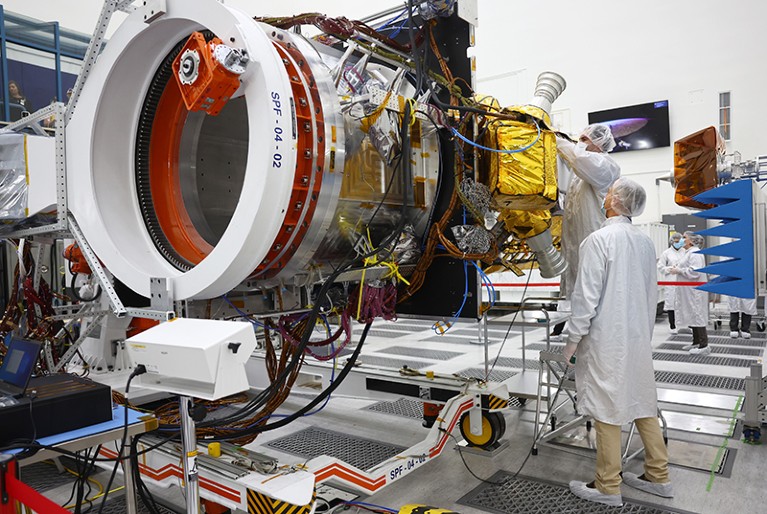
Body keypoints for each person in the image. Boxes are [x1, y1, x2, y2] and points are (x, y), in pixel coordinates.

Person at [564, 177, 672, 507]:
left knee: (606, 407)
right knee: (642, 403)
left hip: (605, 341)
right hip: (637, 337)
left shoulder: (598, 240)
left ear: (615, 201)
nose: (605, 195)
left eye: (609, 192)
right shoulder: (644, 242)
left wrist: (572, 339)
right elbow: (652, 292)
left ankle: (608, 485)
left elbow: (586, 298)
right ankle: (658, 475)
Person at [550, 123, 621, 339]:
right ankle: (579, 354)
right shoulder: (580, 177)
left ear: (599, 144)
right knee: (580, 303)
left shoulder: (605, 166)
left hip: (593, 246)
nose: (580, 143)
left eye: (585, 139)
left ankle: (595, 353)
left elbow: (578, 159)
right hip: (576, 249)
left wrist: (552, 135)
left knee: (594, 305)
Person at [670, 232, 709, 354]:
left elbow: (695, 272)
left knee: (697, 315)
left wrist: (679, 270)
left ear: (691, 241)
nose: (681, 239)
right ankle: (696, 342)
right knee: (693, 315)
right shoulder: (688, 252)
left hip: (695, 292)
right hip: (689, 291)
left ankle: (704, 345)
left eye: (684, 237)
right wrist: (678, 267)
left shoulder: (695, 253)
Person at [657, 232, 686, 334]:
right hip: (671, 281)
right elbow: (660, 267)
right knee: (671, 304)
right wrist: (670, 269)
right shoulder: (666, 253)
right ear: (672, 241)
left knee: (685, 303)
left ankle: (688, 324)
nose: (678, 243)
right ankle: (672, 325)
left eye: (679, 241)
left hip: (683, 281)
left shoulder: (685, 252)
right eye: (676, 241)